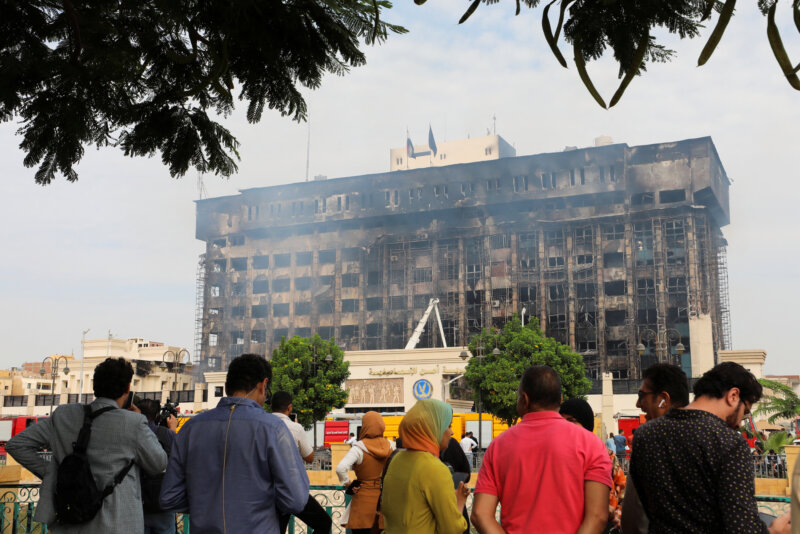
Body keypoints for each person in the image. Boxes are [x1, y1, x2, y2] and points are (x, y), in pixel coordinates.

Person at [7, 357, 167, 532]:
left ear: (95, 385)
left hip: (69, 522)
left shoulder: (64, 416)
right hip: (116, 523)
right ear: (128, 388)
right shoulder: (134, 422)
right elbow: (158, 464)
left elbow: (16, 444)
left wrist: (54, 473)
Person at [630, 361, 791, 533]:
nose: (739, 424)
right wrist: (774, 531)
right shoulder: (729, 443)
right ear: (733, 396)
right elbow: (741, 527)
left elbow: (642, 509)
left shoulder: (644, 435)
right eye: (745, 412)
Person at [160, 353, 309, 532]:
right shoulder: (273, 428)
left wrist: (205, 504)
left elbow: (169, 497)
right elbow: (296, 499)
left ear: (225, 386)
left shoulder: (190, 429)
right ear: (263, 385)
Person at [472, 366, 611, 534]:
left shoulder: (497, 446)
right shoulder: (592, 444)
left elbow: (480, 514)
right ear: (560, 399)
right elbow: (598, 517)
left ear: (525, 399)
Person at [381, 399, 469, 534]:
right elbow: (452, 529)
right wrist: (460, 501)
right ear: (433, 428)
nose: (451, 432)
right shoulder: (435, 468)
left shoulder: (397, 460)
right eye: (448, 426)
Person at [621, 362, 689, 534]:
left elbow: (634, 516)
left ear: (663, 400)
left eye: (642, 395)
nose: (638, 404)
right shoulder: (712, 438)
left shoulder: (647, 438)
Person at [560, 398, 626, 534]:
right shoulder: (557, 456)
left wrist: (616, 515)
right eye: (561, 421)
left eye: (571, 421)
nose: (565, 426)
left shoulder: (607, 456)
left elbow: (622, 493)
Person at [272, 391, 332, 534]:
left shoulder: (262, 425)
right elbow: (309, 457)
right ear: (289, 408)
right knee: (323, 522)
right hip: (292, 489)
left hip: (269, 490)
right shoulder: (295, 428)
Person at [335, 411, 394, 534]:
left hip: (362, 501)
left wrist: (349, 484)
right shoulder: (391, 446)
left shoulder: (358, 448)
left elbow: (340, 468)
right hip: (385, 500)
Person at [135, 397, 179, 534]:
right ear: (156, 416)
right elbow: (178, 459)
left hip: (138, 501)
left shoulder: (133, 433)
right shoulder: (166, 434)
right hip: (163, 502)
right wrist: (172, 429)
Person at [440, 436, 473, 534]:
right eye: (449, 426)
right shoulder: (451, 443)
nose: (451, 432)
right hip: (455, 500)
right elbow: (466, 473)